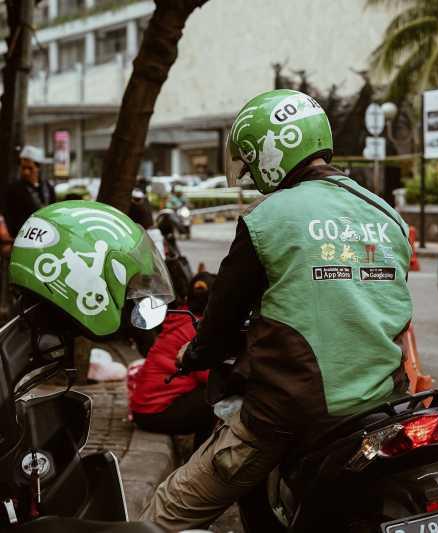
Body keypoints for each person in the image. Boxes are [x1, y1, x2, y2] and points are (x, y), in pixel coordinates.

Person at [140, 89, 413, 530]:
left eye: (251, 162)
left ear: (271, 152)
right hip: (385, 405)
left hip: (294, 411)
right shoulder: (385, 213)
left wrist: (191, 356)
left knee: (168, 510)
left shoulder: (267, 218)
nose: (250, 175)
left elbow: (223, 323)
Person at [129, 271, 218, 450]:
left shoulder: (182, 316)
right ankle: (200, 462)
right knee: (215, 401)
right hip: (154, 413)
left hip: (143, 409)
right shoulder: (197, 329)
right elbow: (207, 375)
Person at [6, 145, 55, 236]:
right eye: (23, 168)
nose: (26, 172)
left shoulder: (48, 188)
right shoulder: (14, 189)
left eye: (30, 168)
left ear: (38, 168)